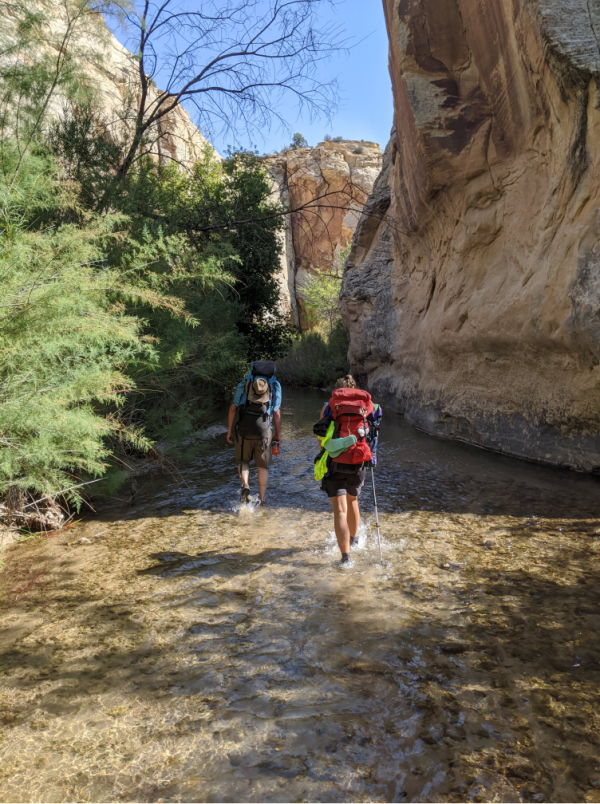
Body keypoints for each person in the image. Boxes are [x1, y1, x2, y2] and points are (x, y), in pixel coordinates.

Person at [317, 374, 380, 563]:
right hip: (359, 461)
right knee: (353, 501)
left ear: (337, 391)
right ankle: (354, 540)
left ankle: (346, 558)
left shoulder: (329, 407)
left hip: (336, 463)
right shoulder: (367, 407)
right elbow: (374, 435)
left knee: (340, 511)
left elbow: (322, 442)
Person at [227, 361, 282, 505]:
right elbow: (276, 413)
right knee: (262, 466)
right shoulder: (274, 385)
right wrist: (278, 434)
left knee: (243, 462)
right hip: (264, 431)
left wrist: (230, 430)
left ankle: (245, 485)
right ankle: (262, 500)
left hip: (244, 430)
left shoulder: (245, 383)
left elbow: (233, 408)